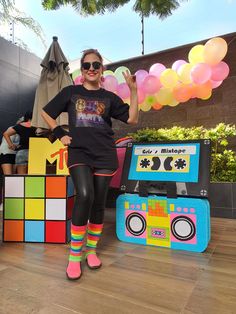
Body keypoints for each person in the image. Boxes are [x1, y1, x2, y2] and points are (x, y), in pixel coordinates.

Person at [41, 48, 139, 280]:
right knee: (85, 195)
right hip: (79, 153)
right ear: (82, 71)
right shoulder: (70, 92)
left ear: (101, 70)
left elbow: (132, 119)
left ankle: (91, 251)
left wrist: (134, 91)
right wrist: (58, 132)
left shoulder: (110, 98)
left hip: (105, 154)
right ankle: (75, 255)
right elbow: (46, 112)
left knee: (97, 203)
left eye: (96, 65)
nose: (92, 69)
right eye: (87, 66)